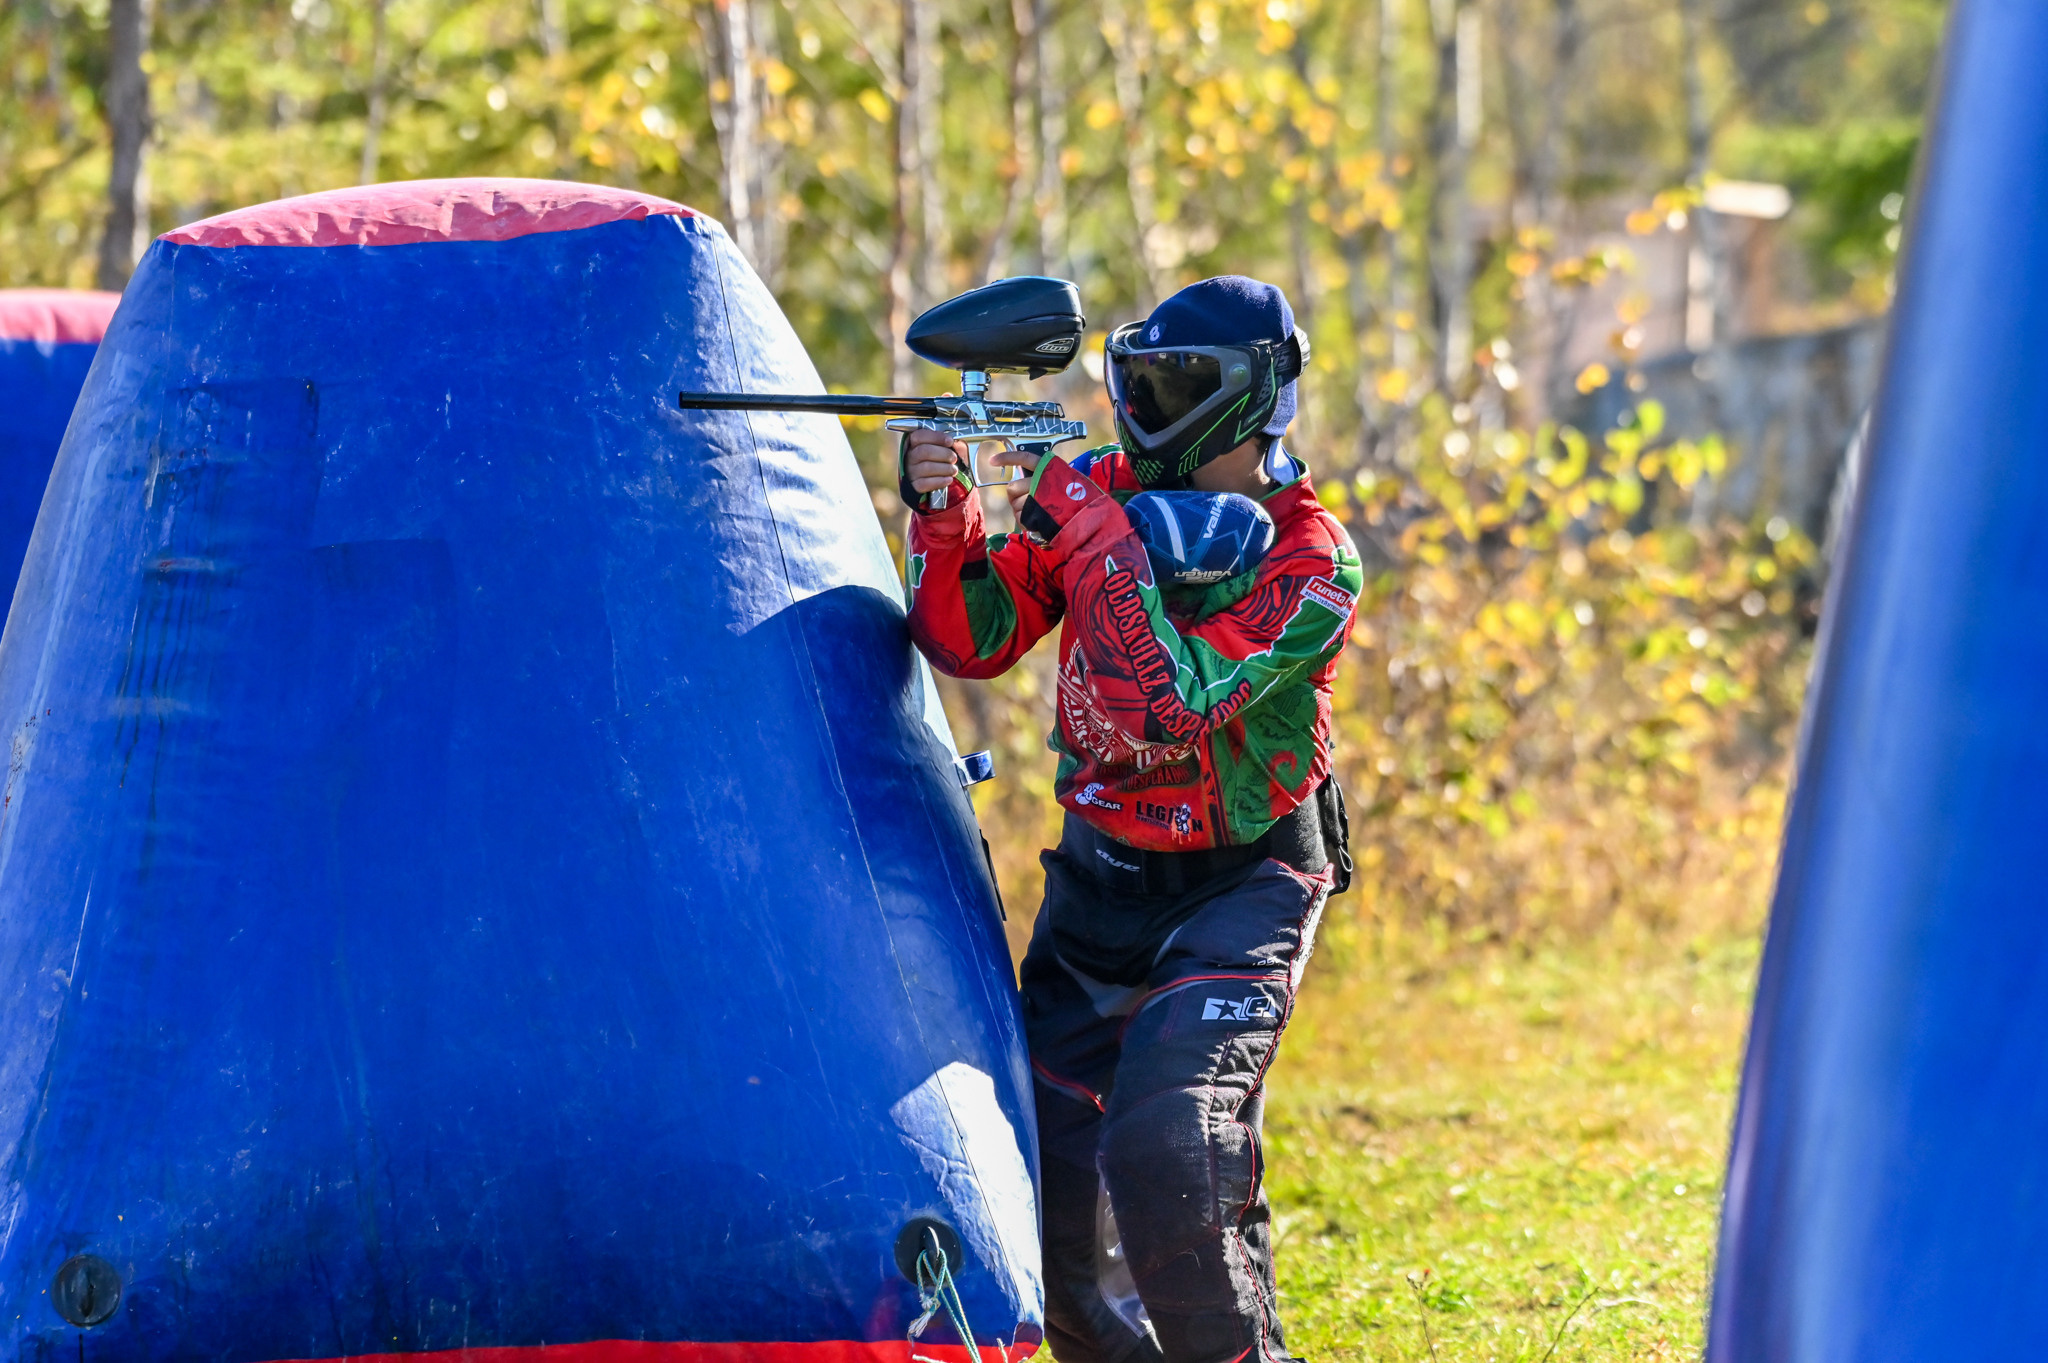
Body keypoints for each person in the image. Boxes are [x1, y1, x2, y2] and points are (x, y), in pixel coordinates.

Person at [900, 276, 1363, 1363]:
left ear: (1255, 397)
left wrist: (1094, 534)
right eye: (1139, 383)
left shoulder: (1313, 559)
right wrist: (944, 513)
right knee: (1061, 1222)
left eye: (1177, 386)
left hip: (1240, 889)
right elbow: (973, 636)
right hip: (1099, 886)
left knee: (1169, 1145)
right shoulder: (1101, 492)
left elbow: (1172, 705)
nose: (1147, 411)